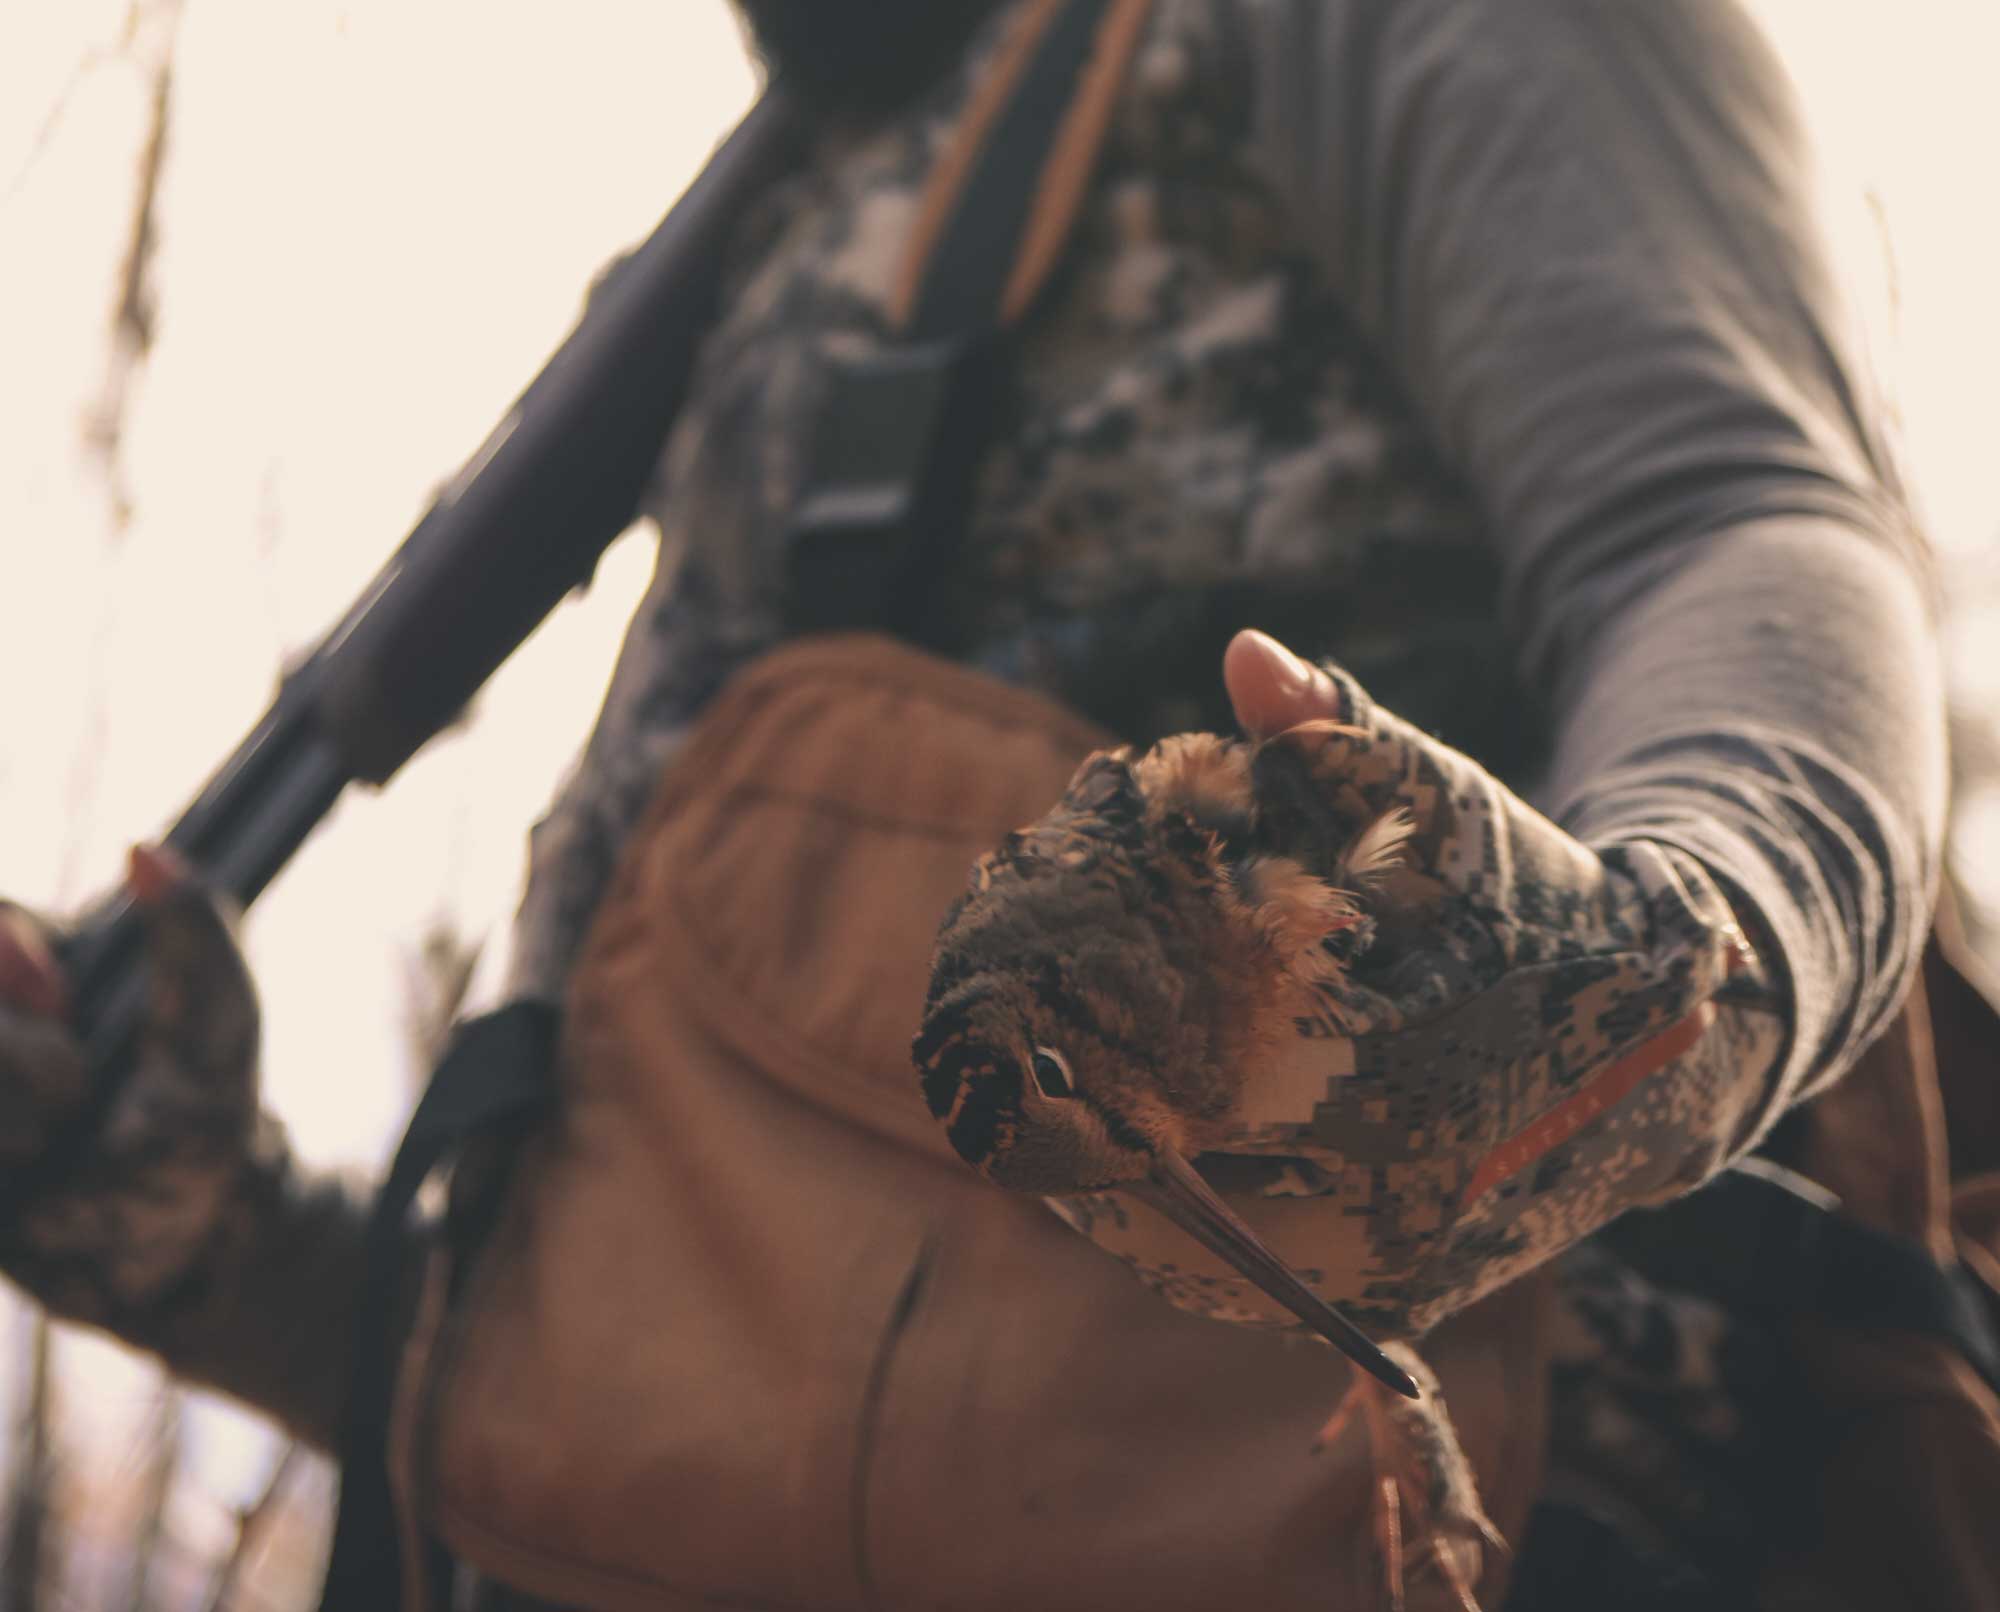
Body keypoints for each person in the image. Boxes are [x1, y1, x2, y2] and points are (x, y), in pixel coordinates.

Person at [0, 0, 1958, 1605]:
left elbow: (1737, 529)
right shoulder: (804, 187)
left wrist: (1657, 968)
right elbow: (750, 1366)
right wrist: (215, 1241)